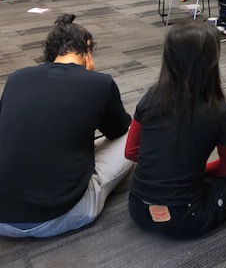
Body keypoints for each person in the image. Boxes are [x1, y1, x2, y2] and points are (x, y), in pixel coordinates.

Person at [0, 14, 132, 238]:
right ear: (87, 49)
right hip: (61, 214)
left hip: (2, 218)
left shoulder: (16, 77)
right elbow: (119, 130)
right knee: (134, 134)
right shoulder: (100, 83)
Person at [125, 21, 226, 239]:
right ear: (211, 61)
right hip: (187, 218)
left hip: (138, 207)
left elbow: (131, 152)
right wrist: (198, 171)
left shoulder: (152, 95)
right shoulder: (218, 110)